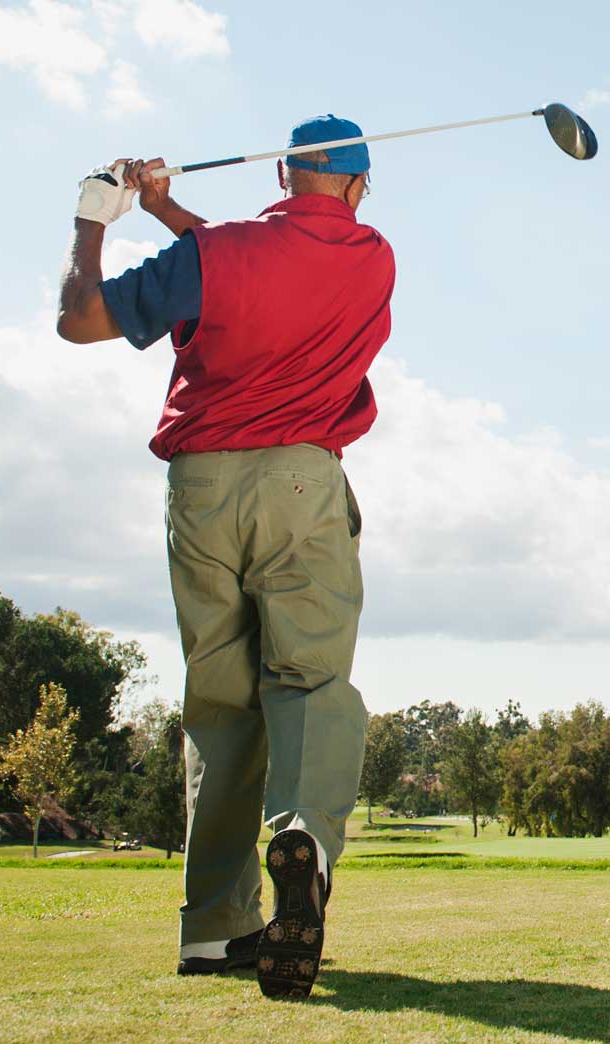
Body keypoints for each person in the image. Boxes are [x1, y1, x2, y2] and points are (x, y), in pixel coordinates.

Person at [54, 115, 394, 999]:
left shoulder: (222, 254)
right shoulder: (372, 257)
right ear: (357, 187)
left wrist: (99, 216)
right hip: (298, 485)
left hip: (201, 487)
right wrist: (170, 210)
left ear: (282, 174)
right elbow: (257, 268)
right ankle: (305, 843)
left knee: (219, 705)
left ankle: (214, 929)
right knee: (308, 681)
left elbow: (82, 319)